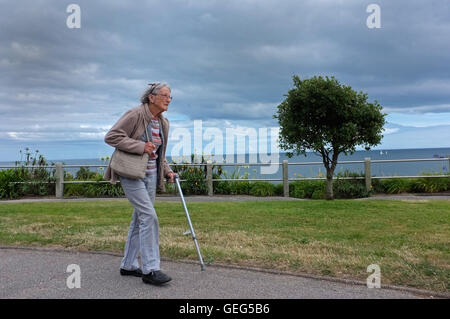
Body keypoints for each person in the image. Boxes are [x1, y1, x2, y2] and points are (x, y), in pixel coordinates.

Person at [104, 82, 176, 285]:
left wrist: (168, 171)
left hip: (151, 175)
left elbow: (158, 153)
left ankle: (128, 265)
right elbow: (112, 136)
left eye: (170, 96)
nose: (168, 99)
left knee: (139, 219)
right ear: (151, 97)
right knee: (149, 216)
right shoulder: (135, 114)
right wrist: (140, 146)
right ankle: (151, 269)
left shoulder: (163, 123)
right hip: (131, 173)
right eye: (164, 95)